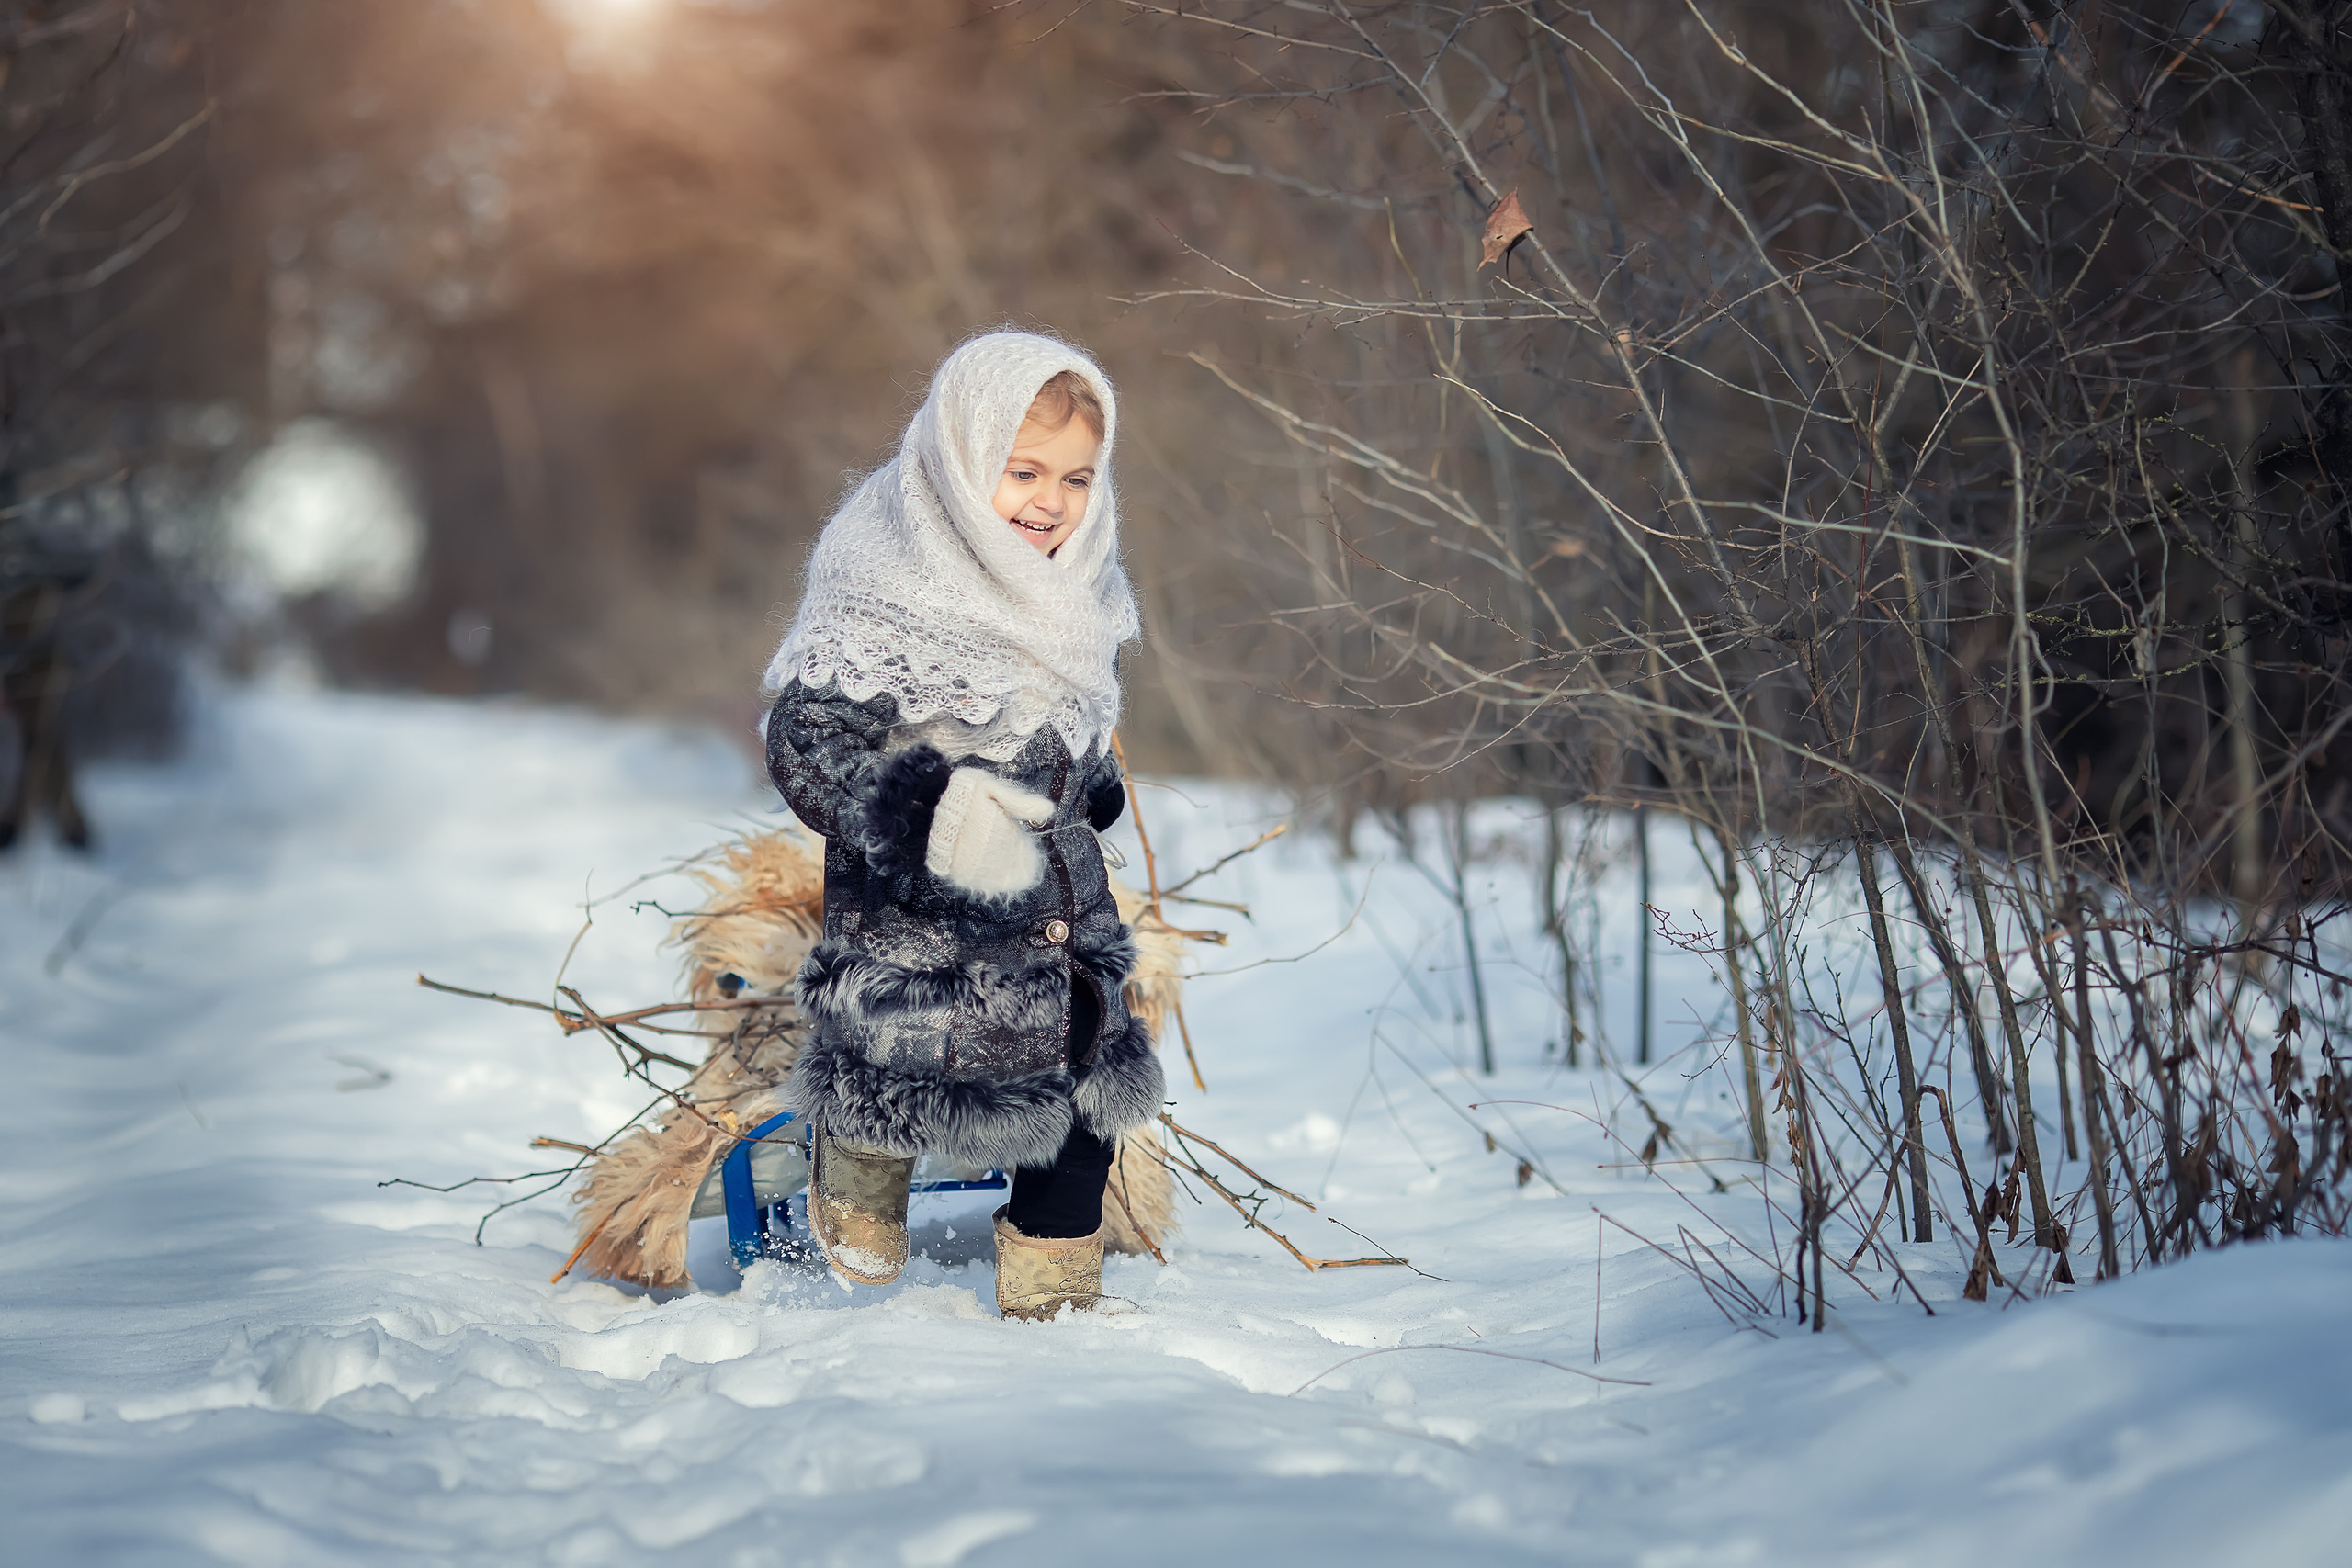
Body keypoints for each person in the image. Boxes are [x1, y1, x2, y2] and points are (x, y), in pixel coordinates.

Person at [761, 331, 1162, 1320]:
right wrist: (923, 812)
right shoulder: (886, 577)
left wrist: (1094, 783)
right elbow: (807, 740)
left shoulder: (1082, 584)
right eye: (1021, 470)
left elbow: (1063, 722)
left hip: (1060, 914)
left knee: (1083, 1098)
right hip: (923, 921)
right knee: (904, 1060)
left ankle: (1055, 1281)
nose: (1050, 500)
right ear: (959, 457)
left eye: (1076, 477)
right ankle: (858, 1173)